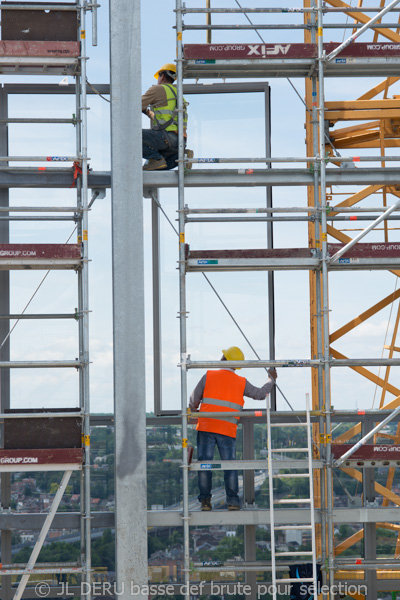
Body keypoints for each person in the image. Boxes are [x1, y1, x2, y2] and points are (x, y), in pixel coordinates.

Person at [189, 346, 277, 511]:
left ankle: (205, 502)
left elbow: (194, 399)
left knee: (204, 465)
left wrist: (194, 413)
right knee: (229, 466)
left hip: (207, 426)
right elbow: (260, 394)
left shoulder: (209, 375)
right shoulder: (241, 382)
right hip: (227, 429)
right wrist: (270, 380)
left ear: (223, 359)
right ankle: (233, 502)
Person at [141, 62, 189, 171]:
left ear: (162, 76)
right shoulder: (178, 94)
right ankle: (182, 156)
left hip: (164, 138)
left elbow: (134, 105)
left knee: (131, 136)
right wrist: (147, 112)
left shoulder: (157, 89)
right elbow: (167, 119)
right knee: (158, 167)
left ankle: (156, 158)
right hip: (179, 142)